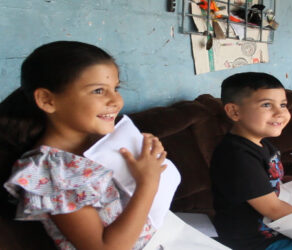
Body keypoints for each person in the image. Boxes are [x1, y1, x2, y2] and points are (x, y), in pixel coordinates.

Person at [0, 41, 167, 250]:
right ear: (47, 100)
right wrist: (149, 182)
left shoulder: (97, 142)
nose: (116, 100)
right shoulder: (53, 172)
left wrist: (147, 154)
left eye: (115, 88)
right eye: (98, 91)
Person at [210, 72, 292, 250]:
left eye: (283, 105)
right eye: (266, 105)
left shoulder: (264, 145)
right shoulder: (236, 156)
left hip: (275, 231)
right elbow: (272, 208)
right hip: (254, 242)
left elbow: (270, 184)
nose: (280, 113)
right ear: (234, 111)